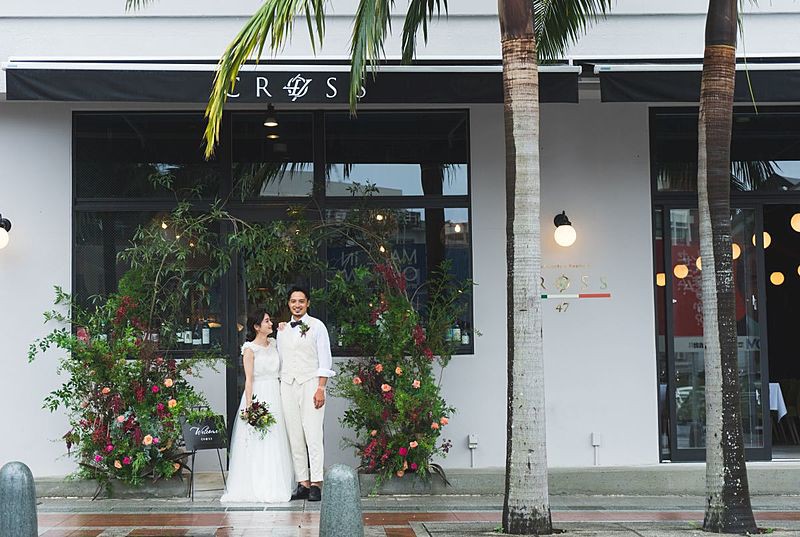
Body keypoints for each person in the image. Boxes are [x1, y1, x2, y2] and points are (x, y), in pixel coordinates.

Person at [220, 309, 294, 503]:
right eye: (267, 321)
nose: (271, 324)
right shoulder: (250, 349)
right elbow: (249, 379)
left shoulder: (275, 344)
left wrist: (285, 327)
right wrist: (249, 406)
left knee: (276, 438)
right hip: (259, 393)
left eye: (270, 320)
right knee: (259, 438)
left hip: (276, 393)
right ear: (256, 326)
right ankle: (257, 483)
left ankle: (276, 482)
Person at [277, 286, 335, 502]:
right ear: (288, 303)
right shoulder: (282, 330)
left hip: (311, 384)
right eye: (293, 301)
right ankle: (303, 482)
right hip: (287, 385)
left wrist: (321, 388)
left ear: (308, 303)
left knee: (313, 434)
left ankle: (317, 482)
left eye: (301, 301)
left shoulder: (317, 326)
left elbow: (325, 359)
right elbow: (280, 358)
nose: (297, 305)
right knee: (295, 435)